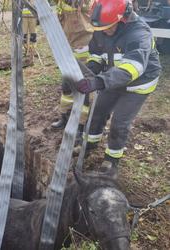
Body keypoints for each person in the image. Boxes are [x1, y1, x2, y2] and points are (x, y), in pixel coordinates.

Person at [71, 0, 161, 172]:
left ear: (123, 19)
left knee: (119, 122)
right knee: (97, 111)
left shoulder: (140, 33)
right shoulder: (103, 28)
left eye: (109, 27)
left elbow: (131, 69)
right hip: (112, 78)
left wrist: (99, 82)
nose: (104, 31)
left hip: (139, 84)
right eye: (101, 28)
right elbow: (97, 54)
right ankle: (89, 143)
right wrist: (91, 70)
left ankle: (112, 158)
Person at [51, 0, 93, 131]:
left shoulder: (87, 3)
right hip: (67, 47)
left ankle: (81, 124)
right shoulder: (61, 2)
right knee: (66, 86)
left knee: (83, 88)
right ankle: (65, 117)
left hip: (83, 48)